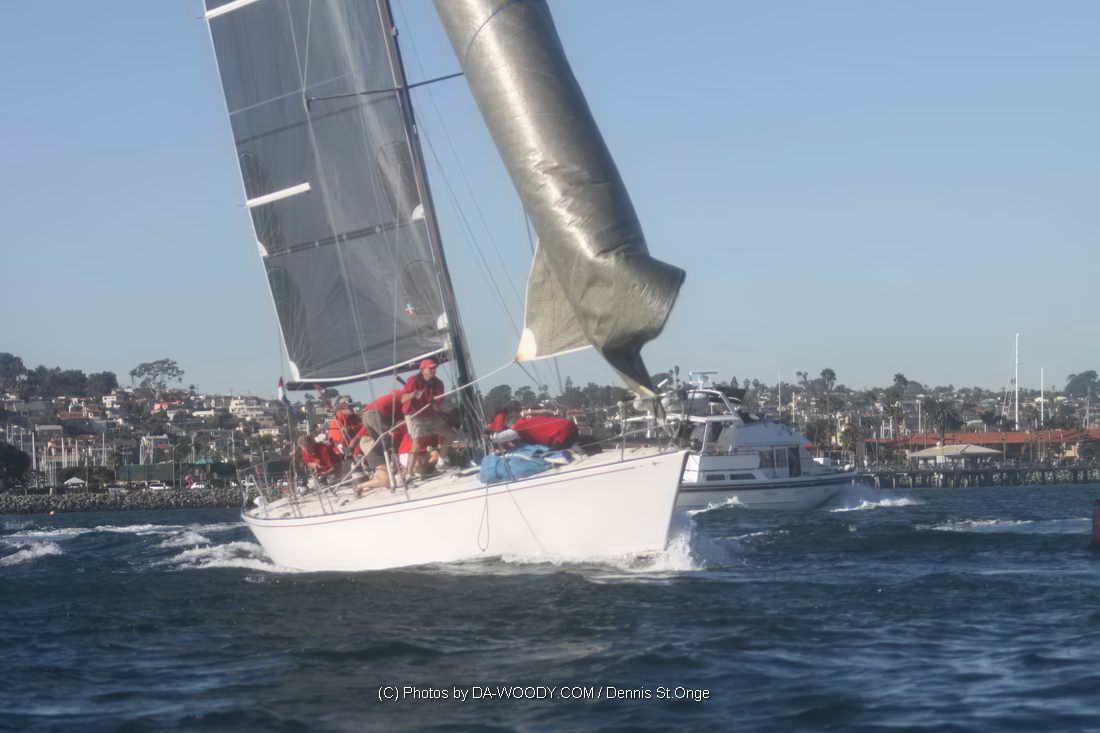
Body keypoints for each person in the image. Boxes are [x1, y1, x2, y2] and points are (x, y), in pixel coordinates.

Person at [401, 359, 454, 477]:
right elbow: (403, 399)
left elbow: (437, 405)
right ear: (422, 369)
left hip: (430, 415)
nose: (433, 370)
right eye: (430, 368)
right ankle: (409, 473)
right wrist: (413, 394)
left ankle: (442, 461)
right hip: (415, 415)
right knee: (417, 442)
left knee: (451, 435)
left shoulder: (438, 383)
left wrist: (435, 404)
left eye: (434, 368)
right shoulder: (413, 380)